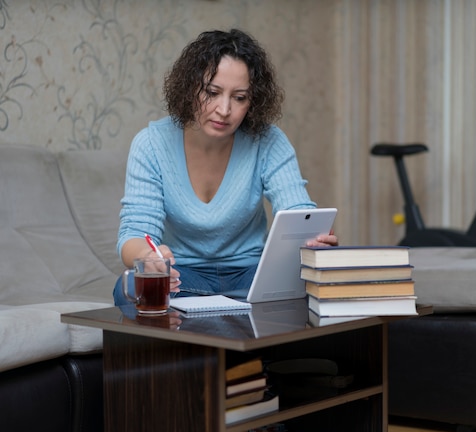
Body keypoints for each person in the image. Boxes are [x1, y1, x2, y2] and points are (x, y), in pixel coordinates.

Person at [113, 29, 338, 306]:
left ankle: (217, 331)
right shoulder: (150, 144)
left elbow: (296, 211)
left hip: (252, 277)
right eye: (212, 92)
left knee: (314, 282)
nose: (224, 109)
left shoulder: (269, 140)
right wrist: (149, 259)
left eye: (239, 97)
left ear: (253, 102)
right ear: (189, 87)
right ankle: (235, 331)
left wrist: (311, 240)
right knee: (130, 288)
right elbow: (135, 232)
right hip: (183, 280)